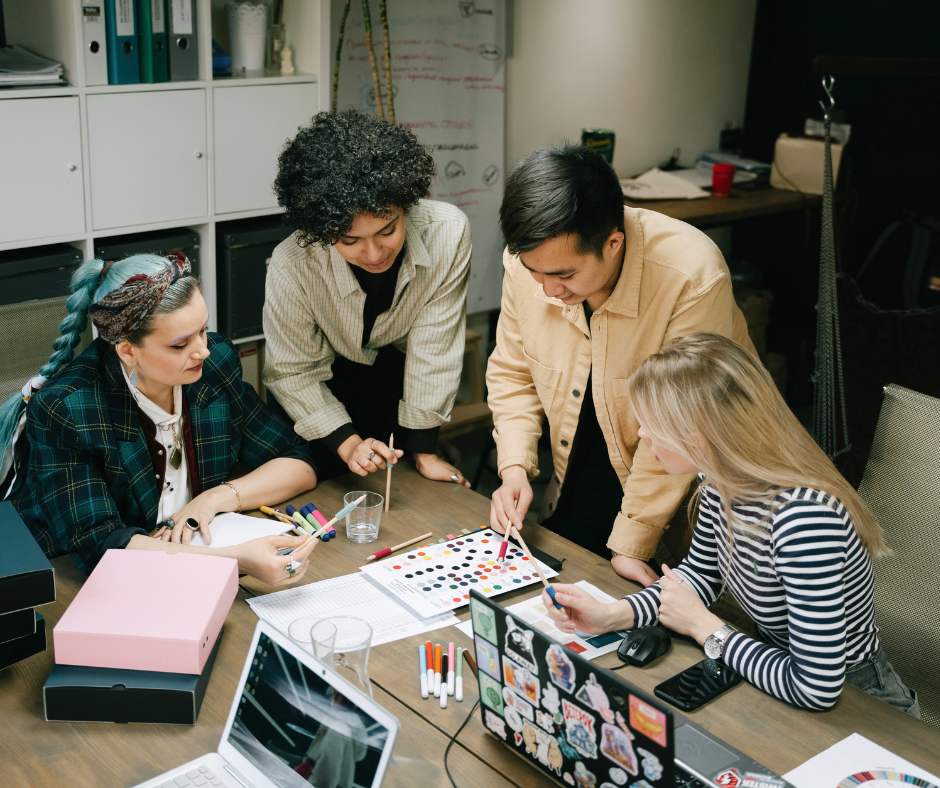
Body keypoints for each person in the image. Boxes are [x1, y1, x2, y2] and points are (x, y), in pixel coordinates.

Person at [543, 333, 919, 716]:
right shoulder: (719, 481)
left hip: (860, 705)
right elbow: (701, 576)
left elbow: (816, 687)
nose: (642, 433)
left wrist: (705, 627)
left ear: (698, 439)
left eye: (651, 424)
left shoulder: (804, 519)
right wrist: (613, 614)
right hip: (769, 668)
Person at [486, 143, 755, 585]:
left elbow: (681, 426)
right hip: (578, 462)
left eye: (565, 276)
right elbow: (513, 372)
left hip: (685, 486)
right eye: (536, 273)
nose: (549, 290)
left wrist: (633, 540)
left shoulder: (692, 276)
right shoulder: (531, 261)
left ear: (613, 243)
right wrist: (514, 466)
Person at [2, 253, 319, 586]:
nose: (203, 351)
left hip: (191, 557)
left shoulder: (214, 364)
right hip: (79, 581)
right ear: (127, 351)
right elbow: (102, 546)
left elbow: (297, 463)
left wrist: (213, 499)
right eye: (180, 344)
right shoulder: (67, 408)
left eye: (203, 330)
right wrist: (238, 559)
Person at [264, 109, 472, 487]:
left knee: (400, 492)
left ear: (406, 204)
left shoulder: (448, 232)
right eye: (350, 241)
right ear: (324, 231)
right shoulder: (291, 264)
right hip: (315, 393)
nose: (375, 254)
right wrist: (347, 443)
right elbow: (293, 370)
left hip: (394, 380)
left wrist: (425, 451)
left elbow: (434, 346)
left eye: (387, 230)